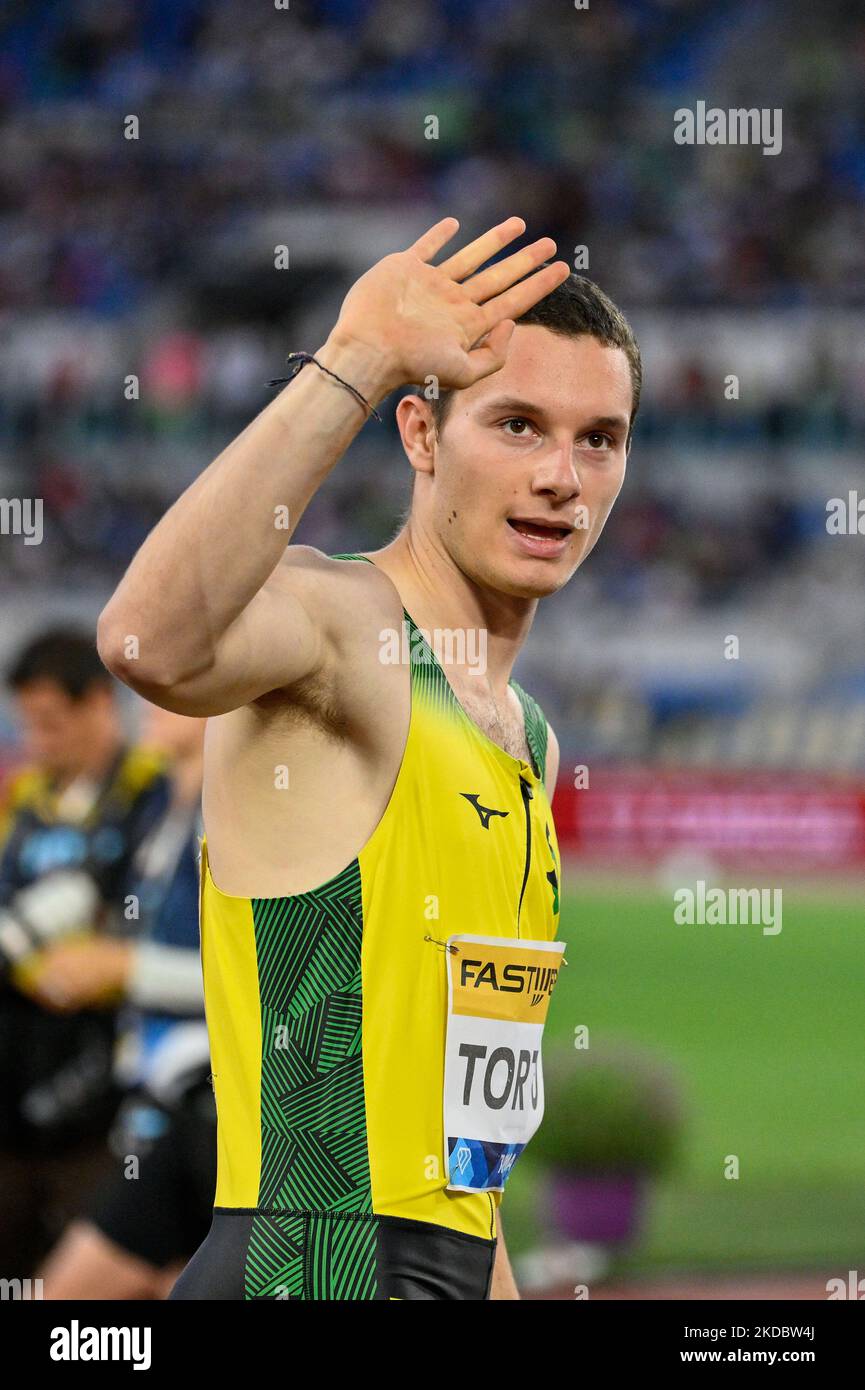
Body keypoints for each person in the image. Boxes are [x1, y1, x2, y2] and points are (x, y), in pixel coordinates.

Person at [99, 216, 641, 1300]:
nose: (562, 478)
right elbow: (147, 641)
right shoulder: (346, 629)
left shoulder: (527, 738)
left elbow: (464, 1154)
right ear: (420, 433)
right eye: (519, 425)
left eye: (599, 438)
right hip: (304, 1273)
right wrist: (351, 359)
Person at [0, 630, 169, 1276]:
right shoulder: (26, 801)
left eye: (50, 722)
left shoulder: (149, 794)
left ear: (100, 702)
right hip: (21, 1073)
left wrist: (100, 963)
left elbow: (143, 920)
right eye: (27, 724)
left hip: (112, 1081)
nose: (37, 740)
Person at [37, 705, 214, 1300]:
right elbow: (86, 886)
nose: (147, 700)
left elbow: (258, 975)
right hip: (154, 1096)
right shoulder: (157, 803)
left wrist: (123, 967)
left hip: (211, 1101)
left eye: (172, 688)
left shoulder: (243, 805)